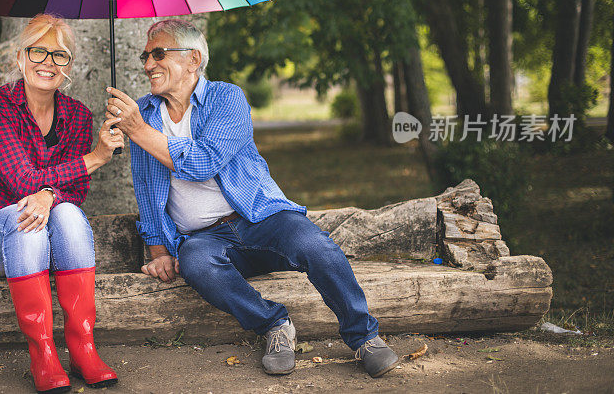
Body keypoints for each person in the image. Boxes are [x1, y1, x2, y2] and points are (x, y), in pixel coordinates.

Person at [105, 19, 399, 379]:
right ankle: (275, 325)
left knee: (315, 245)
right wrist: (158, 249)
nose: (148, 64)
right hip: (206, 238)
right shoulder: (145, 113)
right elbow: (146, 186)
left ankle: (363, 336)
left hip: (259, 219)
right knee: (195, 262)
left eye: (159, 53)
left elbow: (203, 162)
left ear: (194, 59)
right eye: (145, 56)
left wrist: (138, 131)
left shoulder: (226, 98)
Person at [0, 14, 121, 393]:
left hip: (36, 243)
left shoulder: (77, 115)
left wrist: (51, 195)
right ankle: (42, 353)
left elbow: (74, 192)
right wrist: (95, 158)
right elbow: (21, 181)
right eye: (38, 51)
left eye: (59, 55)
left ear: (69, 67)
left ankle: (83, 348)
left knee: (69, 212)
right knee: (27, 214)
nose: (47, 62)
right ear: (19, 58)